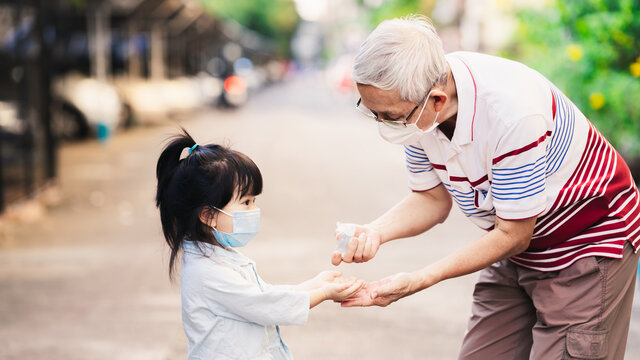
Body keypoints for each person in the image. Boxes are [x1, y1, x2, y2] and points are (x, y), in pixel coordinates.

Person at [334, 15, 640, 359]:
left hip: (584, 240)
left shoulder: (511, 114)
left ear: (436, 100)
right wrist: (374, 232)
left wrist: (419, 279)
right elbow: (432, 200)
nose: (383, 125)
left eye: (390, 117)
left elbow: (513, 233)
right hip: (516, 242)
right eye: (373, 113)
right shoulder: (417, 106)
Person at [155, 130, 364, 360]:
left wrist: (313, 284)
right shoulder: (206, 272)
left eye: (254, 201)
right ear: (208, 215)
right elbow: (266, 305)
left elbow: (263, 295)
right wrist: (323, 293)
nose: (253, 210)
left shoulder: (219, 257)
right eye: (245, 202)